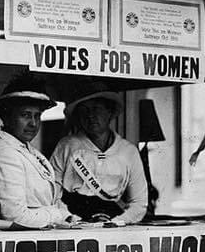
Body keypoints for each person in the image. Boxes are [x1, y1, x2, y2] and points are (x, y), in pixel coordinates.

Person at [0, 72, 74, 229]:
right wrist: (56, 215)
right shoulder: (6, 155)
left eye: (37, 116)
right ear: (6, 116)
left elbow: (49, 201)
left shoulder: (25, 149)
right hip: (21, 240)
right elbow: (15, 216)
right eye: (25, 115)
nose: (33, 123)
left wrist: (68, 216)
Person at [51, 83, 148, 224]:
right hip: (74, 220)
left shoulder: (128, 151)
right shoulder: (67, 146)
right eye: (84, 110)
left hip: (115, 221)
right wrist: (70, 218)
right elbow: (52, 193)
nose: (91, 116)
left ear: (109, 112)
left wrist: (117, 222)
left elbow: (139, 203)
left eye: (96, 109)